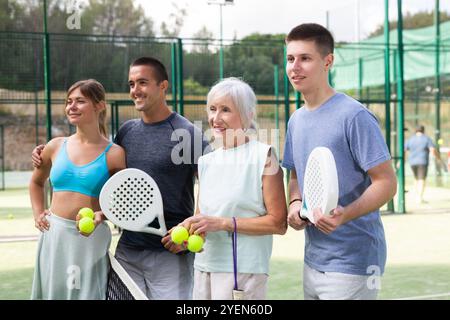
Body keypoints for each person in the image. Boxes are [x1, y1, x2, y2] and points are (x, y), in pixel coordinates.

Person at [32, 57, 209, 299]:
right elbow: (118, 189)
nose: (135, 90)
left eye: (143, 83)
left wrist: (190, 234)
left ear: (163, 86)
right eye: (131, 84)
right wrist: (45, 152)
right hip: (128, 249)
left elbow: (210, 184)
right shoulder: (127, 131)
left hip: (170, 253)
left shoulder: (188, 133)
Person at [282, 23, 397, 300]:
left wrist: (345, 214)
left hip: (354, 261)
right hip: (314, 259)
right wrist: (295, 204)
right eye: (290, 58)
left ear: (328, 61)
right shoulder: (296, 120)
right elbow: (296, 175)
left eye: (305, 58)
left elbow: (387, 182)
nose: (295, 67)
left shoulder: (354, 116)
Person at [179, 77, 287, 300]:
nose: (215, 118)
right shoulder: (206, 161)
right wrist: (188, 230)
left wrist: (222, 223)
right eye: (212, 109)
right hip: (203, 265)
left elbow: (278, 223)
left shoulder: (264, 156)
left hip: (244, 271)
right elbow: (202, 216)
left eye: (225, 110)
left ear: (248, 115)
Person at [29, 79, 126, 299]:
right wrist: (38, 213)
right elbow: (36, 182)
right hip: (54, 235)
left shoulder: (115, 153)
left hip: (90, 238)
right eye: (69, 101)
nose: (71, 107)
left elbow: (121, 204)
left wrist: (102, 216)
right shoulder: (54, 146)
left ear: (99, 105)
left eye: (80, 101)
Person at [405, 125, 440, 203]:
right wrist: (438, 158)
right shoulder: (426, 138)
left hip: (412, 162)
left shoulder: (410, 139)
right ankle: (419, 197)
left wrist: (402, 161)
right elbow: (432, 150)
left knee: (416, 178)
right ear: (423, 131)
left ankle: (417, 195)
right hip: (422, 161)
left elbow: (405, 151)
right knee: (421, 179)